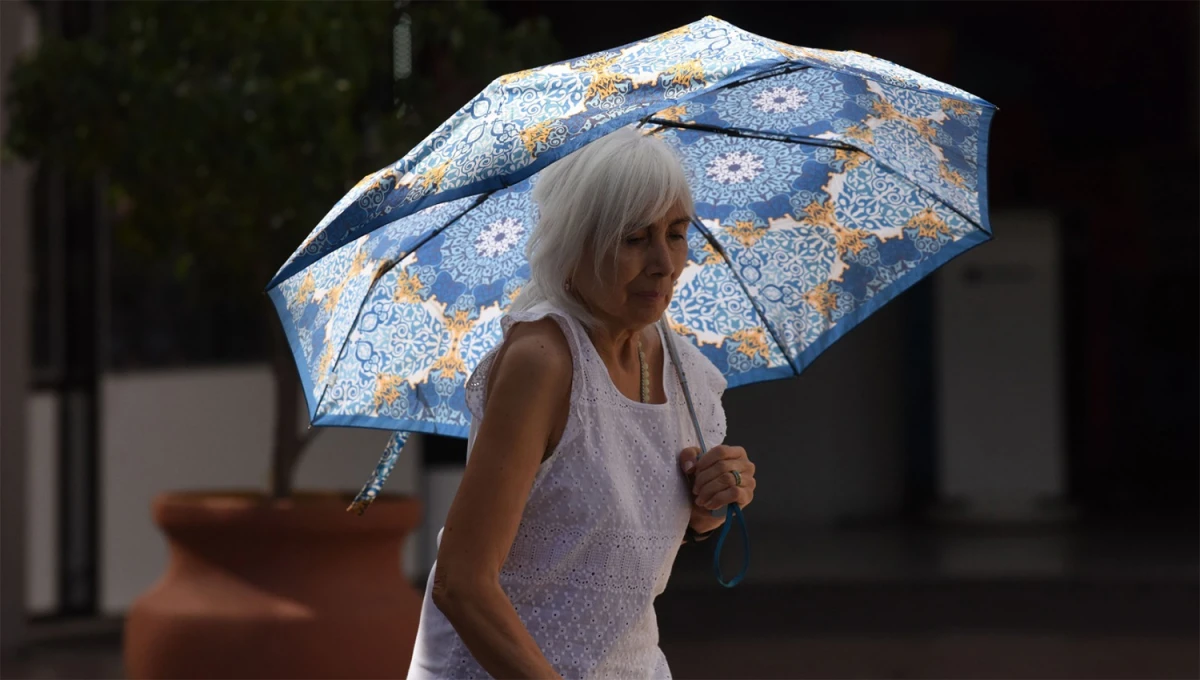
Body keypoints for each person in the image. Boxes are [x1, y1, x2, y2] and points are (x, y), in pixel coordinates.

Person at [407, 127, 758, 679]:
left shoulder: (687, 370)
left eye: (677, 233)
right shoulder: (543, 360)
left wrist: (712, 503)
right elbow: (462, 584)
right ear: (574, 246)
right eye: (635, 238)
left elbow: (628, 537)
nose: (664, 263)